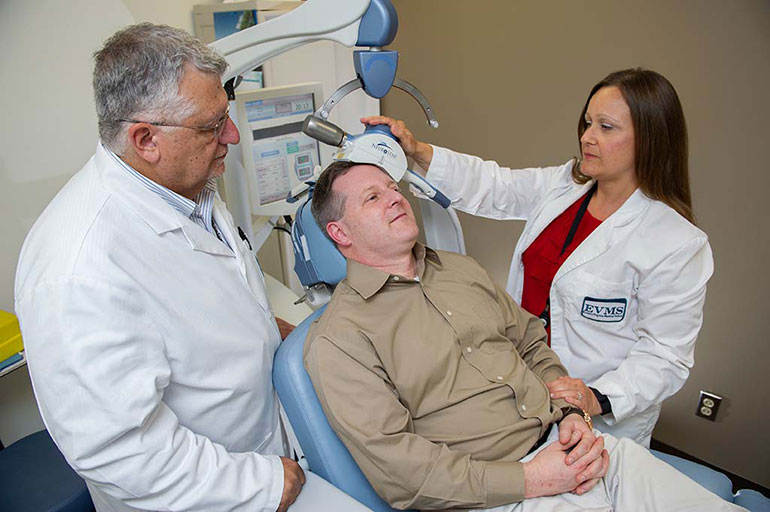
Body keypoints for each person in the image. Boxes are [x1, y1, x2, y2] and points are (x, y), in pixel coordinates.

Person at [302, 161, 740, 511]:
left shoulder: (460, 269)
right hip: (498, 492)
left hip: (571, 443)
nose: (395, 198)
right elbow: (401, 471)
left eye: (393, 187)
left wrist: (572, 414)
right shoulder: (340, 338)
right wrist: (533, 479)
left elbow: (530, 340)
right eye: (373, 197)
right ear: (339, 233)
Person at [14, 23, 304, 512]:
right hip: (214, 493)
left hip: (263, 448)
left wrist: (272, 332)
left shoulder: (187, 188)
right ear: (146, 139)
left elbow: (202, 310)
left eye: (225, 115)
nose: (231, 135)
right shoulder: (78, 265)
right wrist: (261, 485)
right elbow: (122, 450)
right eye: (213, 125)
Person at [361, 68, 713, 446]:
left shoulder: (676, 243)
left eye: (606, 128)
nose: (587, 137)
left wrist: (596, 397)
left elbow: (665, 356)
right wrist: (418, 151)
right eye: (588, 122)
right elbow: (496, 186)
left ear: (649, 139)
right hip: (523, 380)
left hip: (598, 415)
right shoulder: (568, 184)